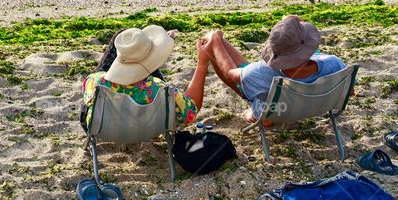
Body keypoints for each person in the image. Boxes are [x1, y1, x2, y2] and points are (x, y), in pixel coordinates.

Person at [200, 15, 345, 124]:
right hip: (315, 105)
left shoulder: (260, 73)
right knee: (253, 74)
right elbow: (349, 92)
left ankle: (257, 114)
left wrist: (216, 41)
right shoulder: (334, 63)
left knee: (247, 74)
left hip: (275, 112)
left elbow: (229, 73)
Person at [81, 25, 209, 128]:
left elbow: (89, 94)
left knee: (122, 33)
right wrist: (202, 63)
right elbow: (191, 112)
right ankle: (147, 50)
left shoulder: (95, 82)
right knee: (136, 47)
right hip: (149, 128)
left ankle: (136, 51)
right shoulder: (161, 90)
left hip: (104, 129)